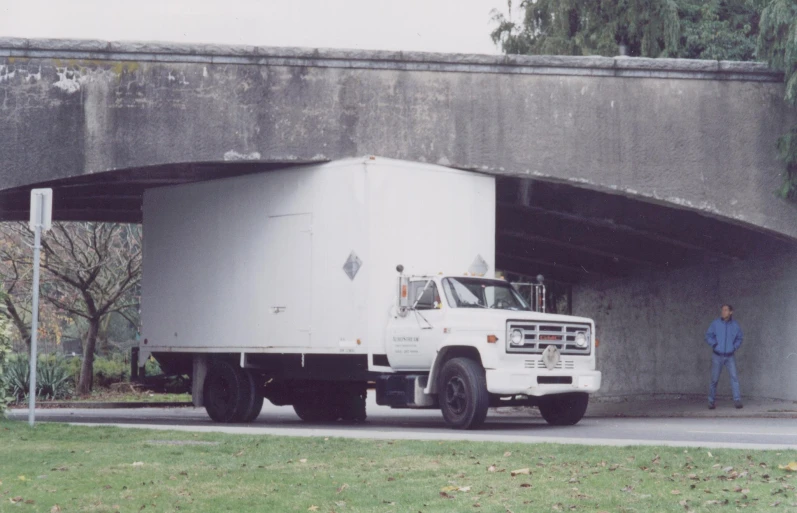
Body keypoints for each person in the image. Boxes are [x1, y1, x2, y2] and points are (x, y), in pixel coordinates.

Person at [704, 304, 743, 409]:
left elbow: (740, 338)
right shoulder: (716, 323)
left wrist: (734, 347)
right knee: (714, 380)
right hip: (717, 356)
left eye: (726, 310)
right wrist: (715, 345)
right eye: (722, 310)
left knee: (734, 378)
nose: (723, 312)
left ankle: (737, 400)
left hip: (730, 356)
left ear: (731, 312)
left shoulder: (735, 325)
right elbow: (708, 336)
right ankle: (711, 402)